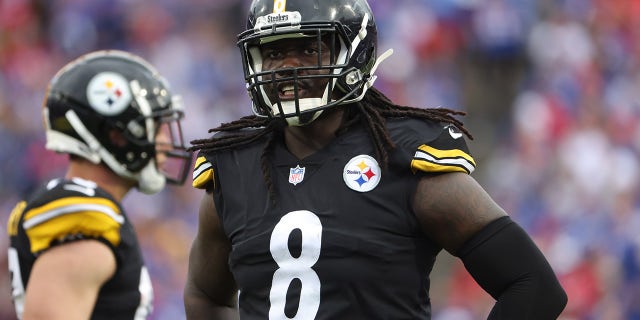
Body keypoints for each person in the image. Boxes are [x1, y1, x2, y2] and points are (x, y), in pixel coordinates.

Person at [184, 0, 567, 319]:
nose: (288, 65)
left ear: (354, 53)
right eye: (274, 52)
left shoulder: (402, 159)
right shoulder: (233, 167)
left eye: (308, 48)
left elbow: (535, 286)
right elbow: (205, 295)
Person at [6, 50, 192, 320]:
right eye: (156, 127)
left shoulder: (92, 208)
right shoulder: (83, 215)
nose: (165, 142)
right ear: (116, 136)